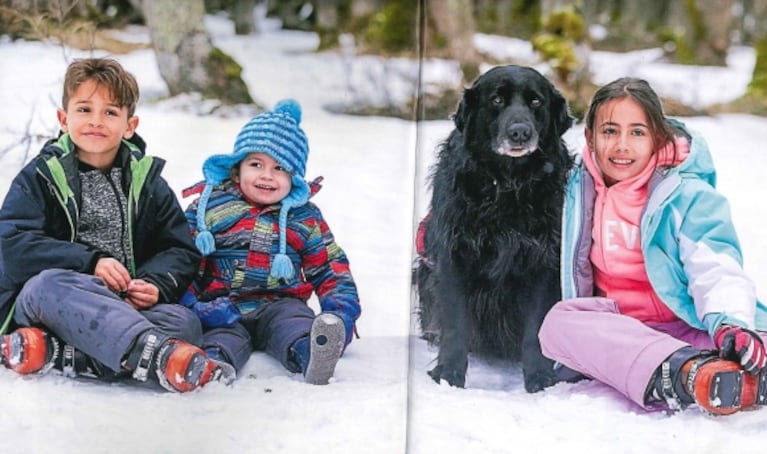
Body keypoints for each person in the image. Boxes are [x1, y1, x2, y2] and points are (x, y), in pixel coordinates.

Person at [0, 57, 233, 392]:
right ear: (63, 119)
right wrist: (90, 262)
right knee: (47, 285)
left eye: (110, 112)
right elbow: (13, 245)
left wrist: (155, 283)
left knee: (185, 323)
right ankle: (156, 354)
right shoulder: (39, 177)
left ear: (130, 125)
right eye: (84, 110)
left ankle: (53, 352)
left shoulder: (148, 182)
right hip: (52, 303)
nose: (97, 121)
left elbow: (179, 248)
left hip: (122, 306)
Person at [539, 77, 767, 415]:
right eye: (610, 131)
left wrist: (730, 323)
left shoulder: (687, 196)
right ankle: (689, 374)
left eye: (637, 132)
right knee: (558, 324)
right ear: (590, 137)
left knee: (751, 338)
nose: (622, 146)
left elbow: (715, 266)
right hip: (623, 332)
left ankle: (736, 374)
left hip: (690, 325)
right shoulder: (577, 189)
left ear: (658, 138)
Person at [182, 98, 361, 385]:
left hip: (280, 304)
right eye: (256, 164)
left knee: (295, 325)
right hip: (223, 308)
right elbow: (185, 262)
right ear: (237, 168)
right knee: (221, 338)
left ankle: (312, 354)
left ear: (295, 178)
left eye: (280, 168)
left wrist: (341, 314)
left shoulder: (304, 217)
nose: (267, 175)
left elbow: (330, 266)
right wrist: (193, 307)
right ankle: (212, 365)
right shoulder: (208, 209)